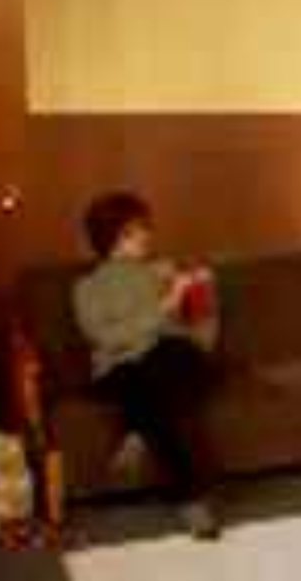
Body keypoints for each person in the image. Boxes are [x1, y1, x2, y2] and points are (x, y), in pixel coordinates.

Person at [72, 191, 224, 539]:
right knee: (151, 382)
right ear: (117, 235)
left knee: (179, 357)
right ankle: (190, 498)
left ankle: (136, 430)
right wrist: (163, 309)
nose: (148, 236)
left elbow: (194, 334)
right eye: (140, 229)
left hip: (167, 361)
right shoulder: (87, 288)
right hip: (119, 371)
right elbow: (107, 339)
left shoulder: (162, 271)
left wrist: (203, 296)